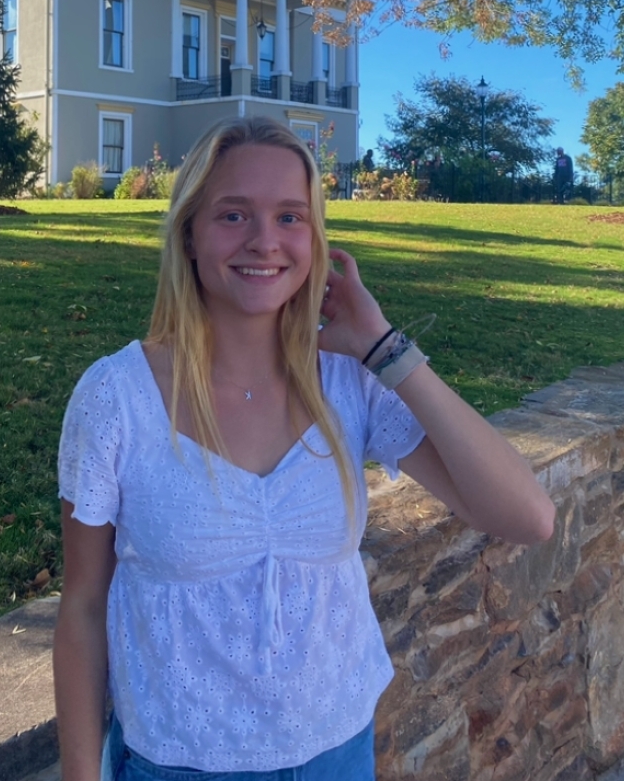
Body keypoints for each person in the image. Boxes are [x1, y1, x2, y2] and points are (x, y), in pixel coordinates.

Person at [53, 116, 555, 781]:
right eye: (234, 214)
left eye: (291, 217)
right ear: (189, 234)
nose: (266, 240)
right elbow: (85, 603)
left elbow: (528, 517)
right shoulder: (117, 397)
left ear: (315, 237)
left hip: (337, 751)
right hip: (177, 762)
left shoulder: (350, 380)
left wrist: (387, 349)